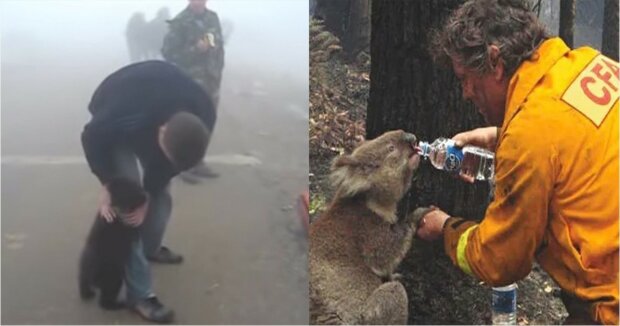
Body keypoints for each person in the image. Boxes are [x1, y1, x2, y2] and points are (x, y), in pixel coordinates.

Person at [415, 0, 619, 324]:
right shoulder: (588, 64)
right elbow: (573, 140)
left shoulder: (529, 137)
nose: (466, 92)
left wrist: (445, 229)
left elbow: (500, 261)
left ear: (495, 61)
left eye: (465, 78)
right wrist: (500, 136)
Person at [81, 60, 215, 323]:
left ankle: (150, 248)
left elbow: (171, 165)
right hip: (114, 121)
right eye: (165, 155)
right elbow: (91, 136)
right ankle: (139, 295)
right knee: (128, 202)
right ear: (161, 130)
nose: (165, 163)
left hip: (156, 109)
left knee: (161, 194)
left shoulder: (204, 111)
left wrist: (150, 194)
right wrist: (108, 183)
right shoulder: (124, 108)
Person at [162, 0, 224, 181]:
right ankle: (183, 166)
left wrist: (218, 70)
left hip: (211, 82)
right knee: (188, 124)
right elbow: (169, 53)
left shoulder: (213, 18)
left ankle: (198, 162)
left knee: (207, 121)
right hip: (189, 84)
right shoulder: (180, 22)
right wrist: (195, 49)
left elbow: (219, 47)